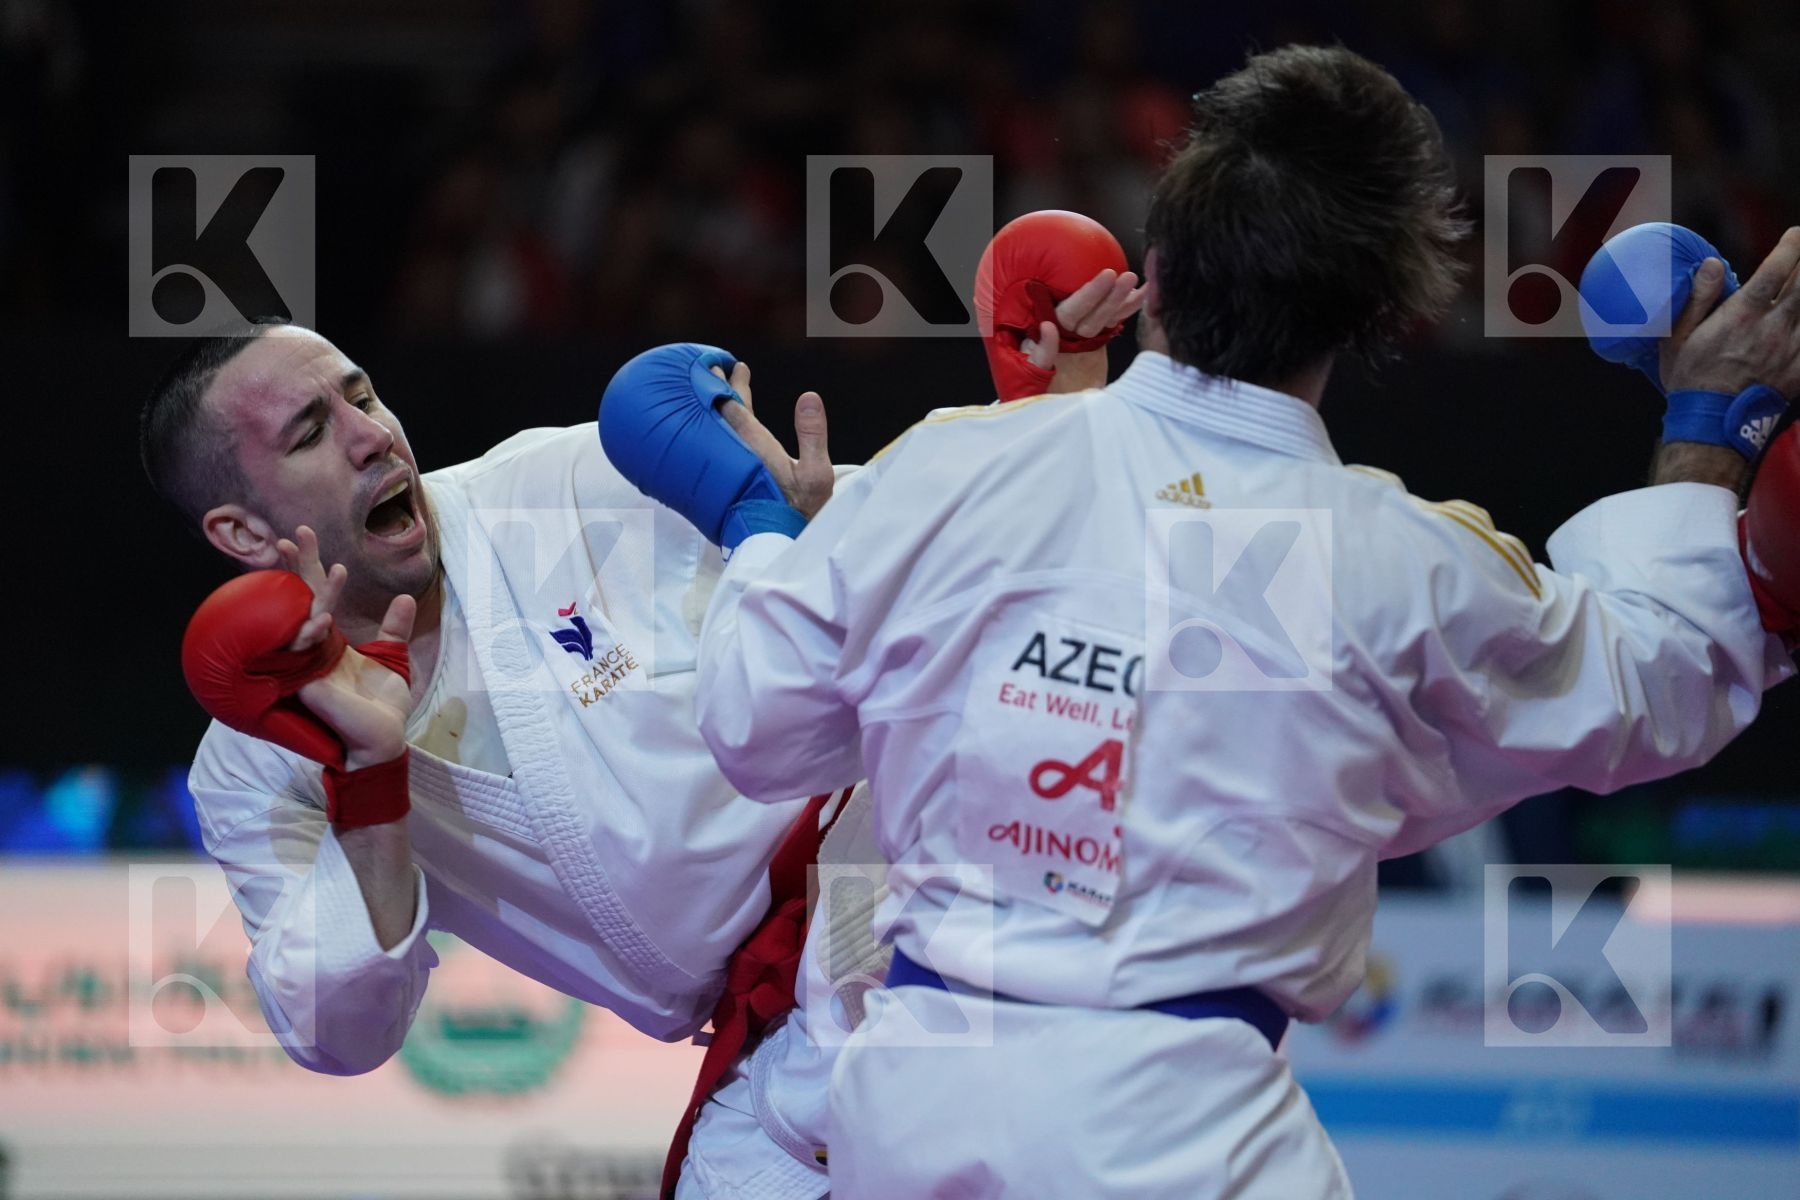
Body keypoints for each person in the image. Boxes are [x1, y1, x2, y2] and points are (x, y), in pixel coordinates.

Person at [599, 46, 1800, 1198]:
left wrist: (768, 534)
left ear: (1158, 268)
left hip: (914, 1105)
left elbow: (753, 725)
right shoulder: (1403, 563)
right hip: (1185, 1133)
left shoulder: (946, 472)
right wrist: (1710, 421)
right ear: (1379, 317)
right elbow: (1661, 680)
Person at [141, 318, 877, 1200]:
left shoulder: (568, 485)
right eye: (310, 432)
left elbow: (905, 557)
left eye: (363, 395)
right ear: (244, 534)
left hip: (883, 868)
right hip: (769, 1042)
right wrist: (368, 779)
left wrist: (825, 537)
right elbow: (338, 1034)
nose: (373, 433)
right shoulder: (260, 760)